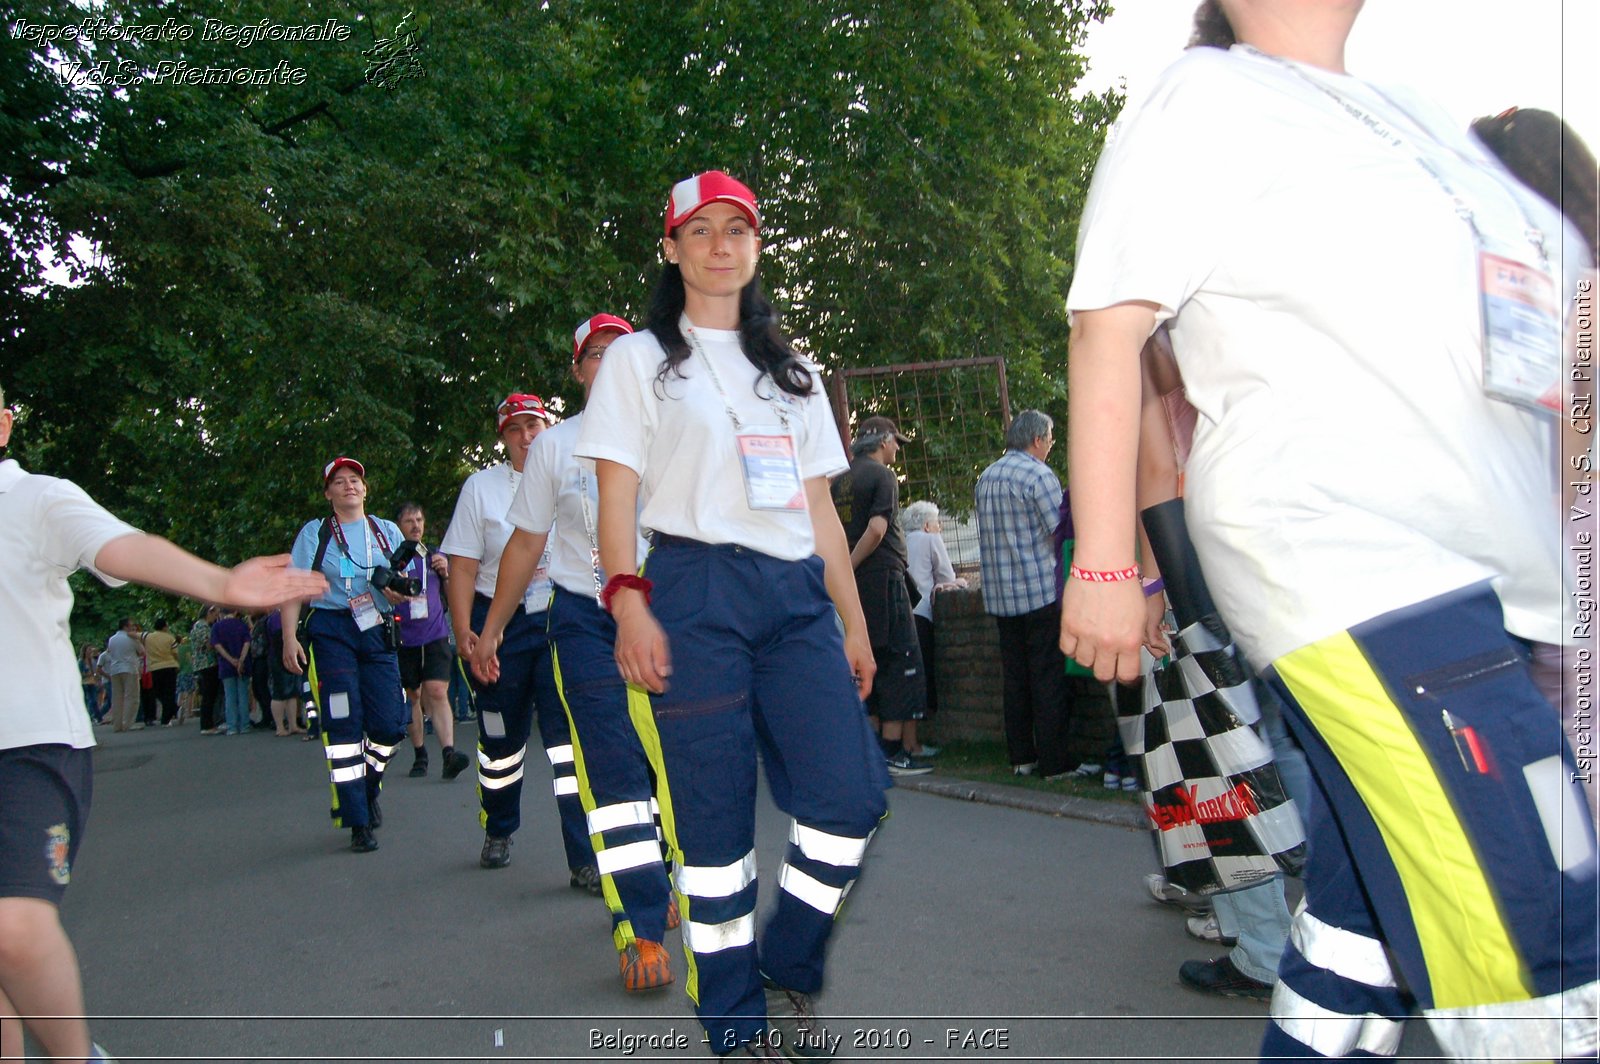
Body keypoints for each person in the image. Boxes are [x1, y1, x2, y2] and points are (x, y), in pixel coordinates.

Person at [1060, 1, 1597, 1058]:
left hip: (1494, 569)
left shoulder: (1423, 114)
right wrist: (1109, 561)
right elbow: (1106, 323)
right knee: (1539, 932)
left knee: (1359, 939)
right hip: (1354, 559)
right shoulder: (1205, 94)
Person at [575, 170, 890, 1059]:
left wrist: (853, 623)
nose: (721, 245)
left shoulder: (793, 372)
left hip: (794, 601)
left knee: (853, 794)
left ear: (757, 247)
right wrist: (626, 598)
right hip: (692, 593)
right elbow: (615, 492)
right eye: (700, 230)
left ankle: (785, 961)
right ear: (671, 249)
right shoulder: (640, 359)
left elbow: (822, 511)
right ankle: (735, 1025)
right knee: (712, 829)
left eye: (738, 230)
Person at [0, 381, 325, 1064]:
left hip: (28, 745)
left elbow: (123, 546)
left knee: (13, 929)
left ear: (3, 426)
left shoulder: (34, 498)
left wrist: (222, 586)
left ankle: (76, 1057)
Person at [475, 312, 680, 993]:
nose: (610, 362)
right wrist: (495, 627)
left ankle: (678, 879)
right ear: (578, 371)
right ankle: (639, 927)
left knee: (676, 760)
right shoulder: (555, 448)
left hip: (661, 615)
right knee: (614, 773)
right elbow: (526, 545)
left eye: (622, 351)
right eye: (595, 355)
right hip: (583, 625)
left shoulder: (671, 430)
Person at [440, 395, 597, 883]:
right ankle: (499, 826)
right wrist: (467, 632)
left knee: (568, 744)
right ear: (503, 437)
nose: (527, 436)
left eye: (535, 426)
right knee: (501, 743)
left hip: (558, 614)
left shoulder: (573, 473)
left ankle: (585, 859)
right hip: (498, 623)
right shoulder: (482, 488)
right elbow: (463, 564)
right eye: (516, 429)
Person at [281, 457, 410, 854]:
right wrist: (289, 638)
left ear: (365, 489)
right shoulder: (314, 533)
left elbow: (406, 588)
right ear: (328, 493)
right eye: (339, 482)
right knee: (344, 725)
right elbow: (293, 587)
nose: (349, 486)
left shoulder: (386, 531)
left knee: (390, 724)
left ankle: (368, 786)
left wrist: (399, 592)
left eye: (355, 480)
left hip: (377, 630)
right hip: (332, 629)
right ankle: (357, 820)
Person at [974, 410, 1076, 779]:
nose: (1051, 445)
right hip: (1038, 591)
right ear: (1037, 440)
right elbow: (1058, 530)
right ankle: (1055, 762)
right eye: (1050, 438)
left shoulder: (986, 477)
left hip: (1001, 596)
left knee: (1015, 678)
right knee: (1047, 677)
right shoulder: (1039, 475)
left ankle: (1021, 757)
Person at [831, 416, 932, 775]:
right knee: (898, 657)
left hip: (851, 587)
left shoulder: (838, 479)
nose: (896, 450)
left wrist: (842, 570)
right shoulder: (882, 476)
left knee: (864, 655)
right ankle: (894, 751)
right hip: (880, 576)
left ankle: (871, 749)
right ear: (883, 440)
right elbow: (877, 528)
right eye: (895, 443)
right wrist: (852, 563)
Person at [392, 502, 468, 779]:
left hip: (435, 634)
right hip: (404, 638)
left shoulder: (435, 556)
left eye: (419, 520)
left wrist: (446, 573)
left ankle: (449, 753)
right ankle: (420, 753)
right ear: (398, 526)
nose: (415, 526)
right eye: (409, 521)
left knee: (437, 691)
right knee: (413, 696)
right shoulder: (392, 558)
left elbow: (453, 593)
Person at [902, 499, 966, 740]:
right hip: (921, 612)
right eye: (937, 523)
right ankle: (919, 736)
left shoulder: (902, 539)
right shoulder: (930, 539)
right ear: (927, 526)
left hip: (903, 611)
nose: (939, 527)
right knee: (923, 673)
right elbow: (946, 575)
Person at [209, 610, 252, 737]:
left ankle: (232, 727)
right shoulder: (241, 625)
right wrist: (241, 660)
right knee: (243, 695)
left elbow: (216, 645)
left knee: (230, 696)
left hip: (226, 665)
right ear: (235, 611)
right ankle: (245, 725)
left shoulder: (217, 627)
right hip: (243, 665)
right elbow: (247, 642)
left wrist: (230, 659)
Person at [102, 619, 142, 733]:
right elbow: (142, 651)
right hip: (129, 668)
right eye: (131, 625)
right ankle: (128, 723)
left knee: (117, 697)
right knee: (131, 697)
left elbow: (110, 652)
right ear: (126, 627)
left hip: (114, 669)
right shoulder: (131, 638)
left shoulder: (112, 639)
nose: (133, 627)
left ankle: (117, 724)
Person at [140, 618, 180, 726]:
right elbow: (175, 653)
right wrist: (177, 662)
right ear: (164, 627)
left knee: (157, 692)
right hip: (170, 666)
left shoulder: (148, 637)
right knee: (169, 692)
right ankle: (166, 718)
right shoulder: (170, 638)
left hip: (154, 668)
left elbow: (136, 635)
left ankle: (173, 708)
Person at [190, 606, 221, 733]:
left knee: (207, 694)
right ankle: (207, 725)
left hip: (201, 664)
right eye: (215, 614)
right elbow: (208, 644)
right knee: (209, 694)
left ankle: (207, 724)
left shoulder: (197, 626)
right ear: (209, 612)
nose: (216, 618)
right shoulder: (203, 627)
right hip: (207, 663)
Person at [77, 646, 104, 723]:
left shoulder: (91, 661)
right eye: (89, 650)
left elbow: (95, 672)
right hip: (85, 682)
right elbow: (79, 673)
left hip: (92, 682)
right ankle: (90, 716)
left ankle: (97, 717)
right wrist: (87, 674)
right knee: (89, 701)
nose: (90, 652)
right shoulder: (81, 662)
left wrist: (97, 680)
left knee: (93, 701)